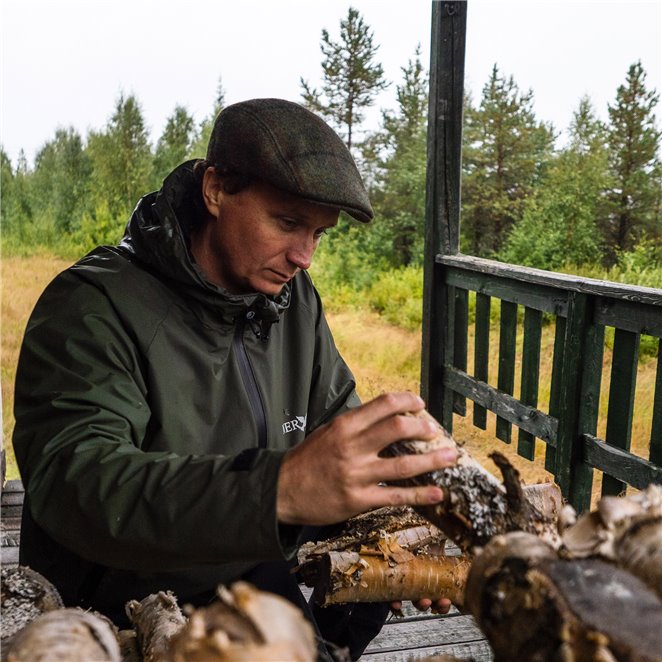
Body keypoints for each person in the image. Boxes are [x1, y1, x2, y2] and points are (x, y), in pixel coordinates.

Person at [13, 98, 457, 660]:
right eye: (288, 222)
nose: (304, 256)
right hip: (128, 599)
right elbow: (77, 483)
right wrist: (278, 488)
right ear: (217, 189)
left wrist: (414, 515)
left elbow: (335, 423)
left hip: (253, 556)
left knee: (367, 586)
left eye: (320, 233)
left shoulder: (291, 301)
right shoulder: (93, 305)